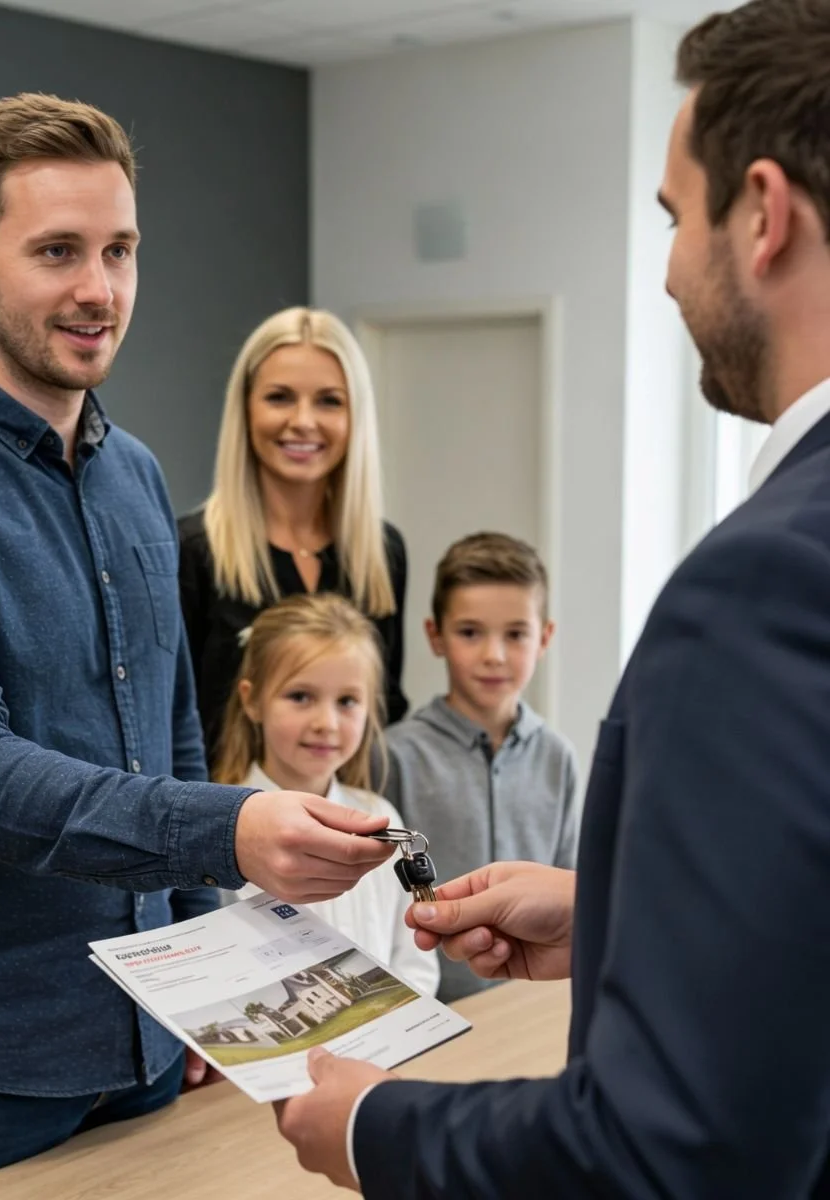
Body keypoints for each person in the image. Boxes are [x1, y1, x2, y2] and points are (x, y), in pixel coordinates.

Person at [276, 1, 830, 1194]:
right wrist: (621, 923)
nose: (672, 270)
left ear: (767, 215)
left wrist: (377, 1132)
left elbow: (674, 1151)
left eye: (677, 221)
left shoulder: (768, 579)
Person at [0, 93, 393, 1199]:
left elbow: (170, 736)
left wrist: (222, 994)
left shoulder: (137, 478)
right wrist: (233, 829)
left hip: (148, 1025)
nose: (98, 288)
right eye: (58, 251)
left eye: (119, 250)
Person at [178, 307, 409, 764]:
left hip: (347, 821)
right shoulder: (191, 553)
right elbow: (173, 724)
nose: (303, 421)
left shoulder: (382, 554)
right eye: (280, 397)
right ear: (245, 409)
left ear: (355, 416)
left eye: (329, 401)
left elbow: (385, 715)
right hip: (225, 822)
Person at [382, 532, 578, 1001]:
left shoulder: (557, 756)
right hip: (429, 1005)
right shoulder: (395, 753)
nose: (494, 654)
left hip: (535, 1000)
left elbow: (569, 879)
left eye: (515, 634)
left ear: (545, 637)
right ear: (436, 636)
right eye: (470, 632)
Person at [216, 593, 440, 999]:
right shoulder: (220, 825)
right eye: (300, 697)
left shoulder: (380, 817)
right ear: (252, 699)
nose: (326, 723)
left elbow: (414, 958)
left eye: (347, 701)